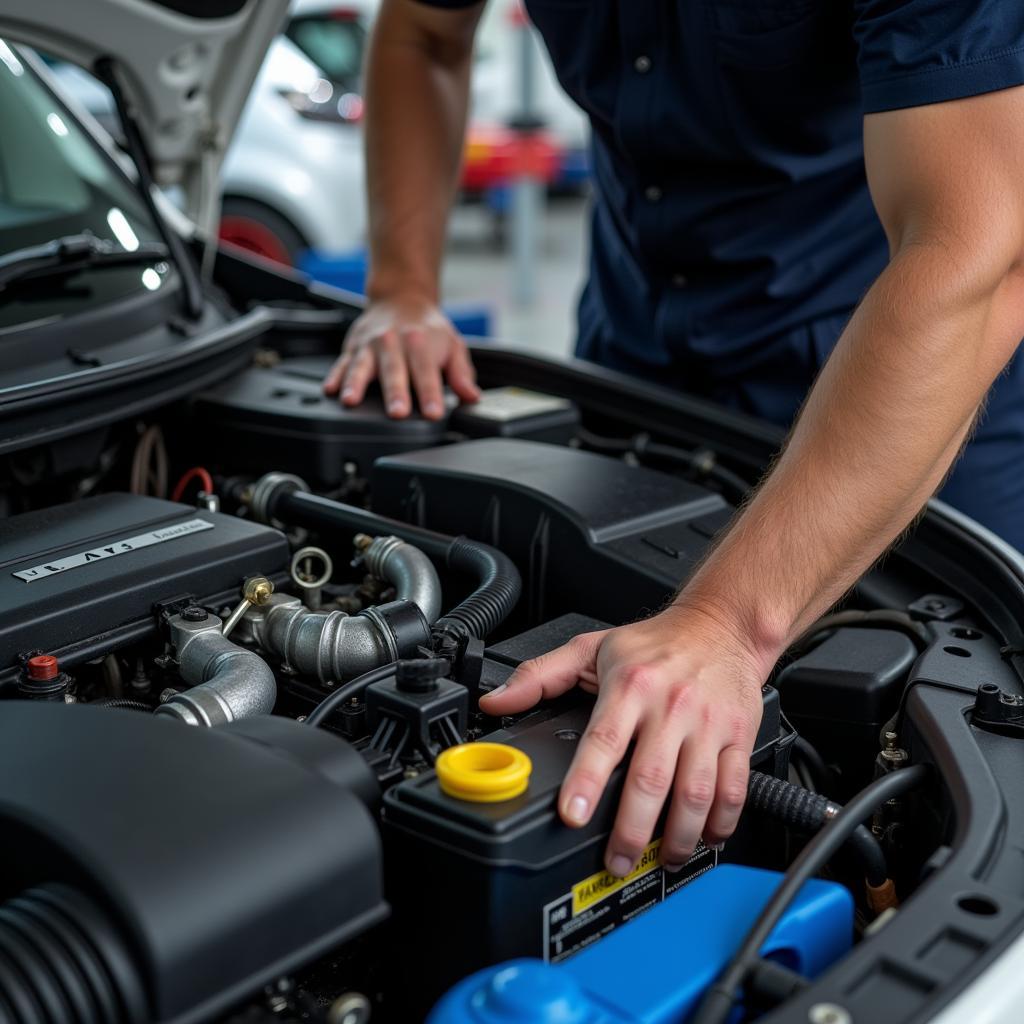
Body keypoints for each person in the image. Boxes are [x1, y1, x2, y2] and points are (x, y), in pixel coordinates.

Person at [323, 0, 1024, 879]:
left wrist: (726, 624)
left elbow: (973, 250)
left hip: (901, 389)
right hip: (635, 361)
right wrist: (401, 288)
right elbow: (424, 30)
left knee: (966, 752)